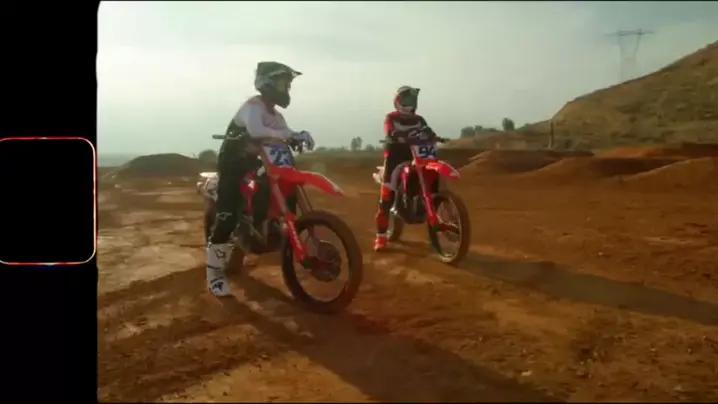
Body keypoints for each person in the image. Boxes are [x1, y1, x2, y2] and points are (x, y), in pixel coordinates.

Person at [206, 61, 315, 297]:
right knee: (226, 216)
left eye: (288, 85)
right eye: (283, 83)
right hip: (233, 162)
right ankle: (214, 275)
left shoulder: (276, 116)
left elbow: (286, 132)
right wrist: (287, 135)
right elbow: (256, 130)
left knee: (278, 186)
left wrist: (299, 135)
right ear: (267, 83)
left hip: (258, 161)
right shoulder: (252, 106)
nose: (286, 89)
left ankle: (263, 227)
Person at [374, 85, 437, 252]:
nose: (410, 104)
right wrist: (395, 136)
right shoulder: (391, 117)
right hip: (396, 157)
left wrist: (433, 136)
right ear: (398, 101)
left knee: (432, 176)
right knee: (386, 196)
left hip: (417, 155)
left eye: (412, 100)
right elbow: (389, 131)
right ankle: (381, 237)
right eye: (407, 100)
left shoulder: (419, 119)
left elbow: (428, 131)